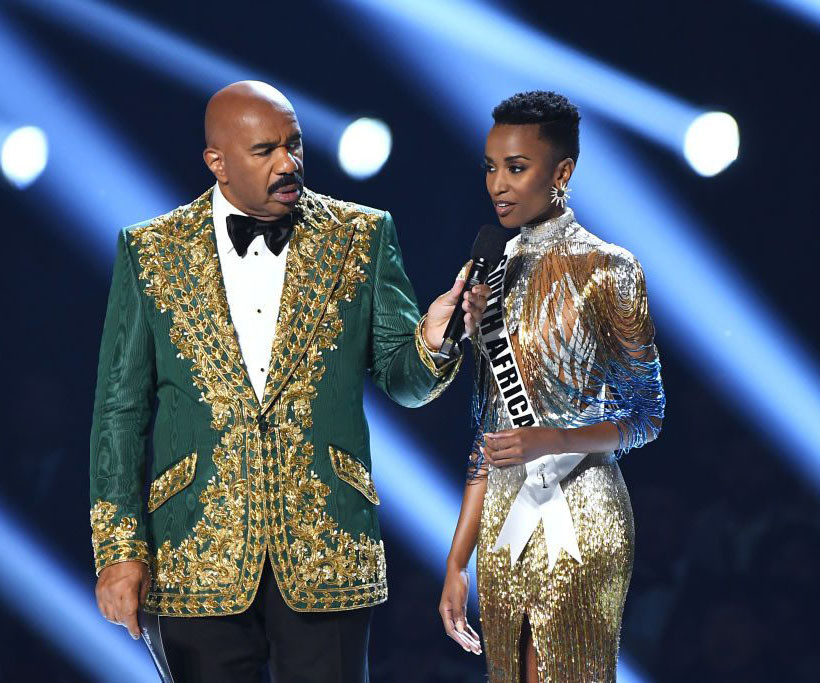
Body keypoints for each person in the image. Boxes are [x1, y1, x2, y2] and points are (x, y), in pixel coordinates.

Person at [90, 80, 489, 682]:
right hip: (194, 548)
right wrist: (119, 550)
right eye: (265, 151)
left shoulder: (360, 236)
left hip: (327, 544)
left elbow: (404, 383)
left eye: (294, 144)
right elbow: (119, 413)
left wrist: (431, 342)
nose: (288, 163)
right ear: (217, 162)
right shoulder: (150, 251)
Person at [439, 91, 665, 682]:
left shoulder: (609, 269)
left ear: (561, 172)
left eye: (516, 168)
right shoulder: (486, 273)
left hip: (581, 510)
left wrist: (554, 439)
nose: (498, 185)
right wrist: (457, 561)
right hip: (503, 517)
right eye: (491, 167)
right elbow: (489, 434)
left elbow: (647, 417)